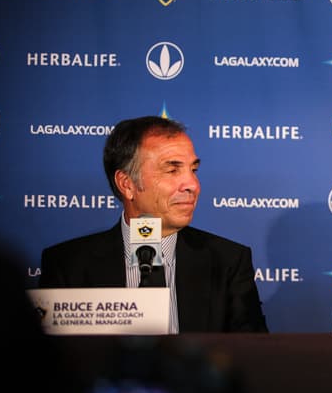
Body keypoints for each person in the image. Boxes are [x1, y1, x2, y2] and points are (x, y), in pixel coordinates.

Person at [39, 115, 268, 333]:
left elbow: (254, 357)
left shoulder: (228, 261)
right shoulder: (68, 265)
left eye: (194, 170)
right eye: (172, 170)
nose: (192, 185)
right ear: (127, 184)